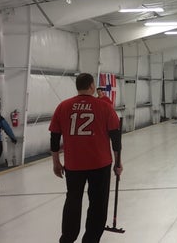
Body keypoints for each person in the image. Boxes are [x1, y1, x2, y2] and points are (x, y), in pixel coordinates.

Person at [48, 73, 122, 243]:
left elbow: (54, 138)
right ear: (91, 86)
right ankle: (90, 239)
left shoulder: (63, 106)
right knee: (98, 204)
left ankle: (67, 238)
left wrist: (56, 162)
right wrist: (118, 162)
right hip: (100, 163)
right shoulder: (104, 107)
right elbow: (115, 138)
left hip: (73, 165)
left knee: (73, 201)